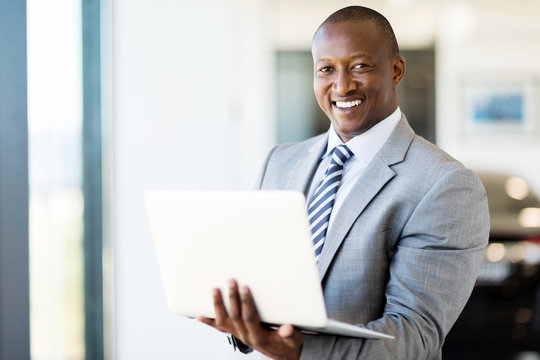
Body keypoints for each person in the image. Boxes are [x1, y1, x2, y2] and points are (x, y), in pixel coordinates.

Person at [198, 5, 490, 359]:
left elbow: (415, 336)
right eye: (326, 69)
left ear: (396, 70)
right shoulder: (280, 163)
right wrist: (244, 324)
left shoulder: (445, 185)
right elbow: (263, 286)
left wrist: (303, 350)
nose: (342, 85)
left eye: (360, 66)